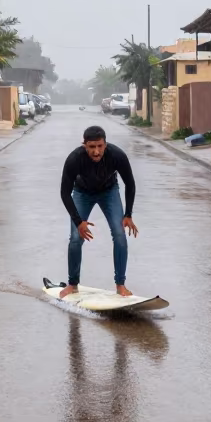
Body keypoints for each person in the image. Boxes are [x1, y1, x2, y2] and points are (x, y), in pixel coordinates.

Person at [58, 125, 139, 298]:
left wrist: (128, 214)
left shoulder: (117, 156)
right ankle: (73, 284)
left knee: (119, 234)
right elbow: (64, 193)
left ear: (105, 144)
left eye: (100, 146)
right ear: (84, 145)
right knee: (75, 238)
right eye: (91, 147)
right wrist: (79, 221)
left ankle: (120, 285)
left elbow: (130, 184)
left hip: (108, 192)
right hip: (82, 193)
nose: (96, 152)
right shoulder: (74, 159)